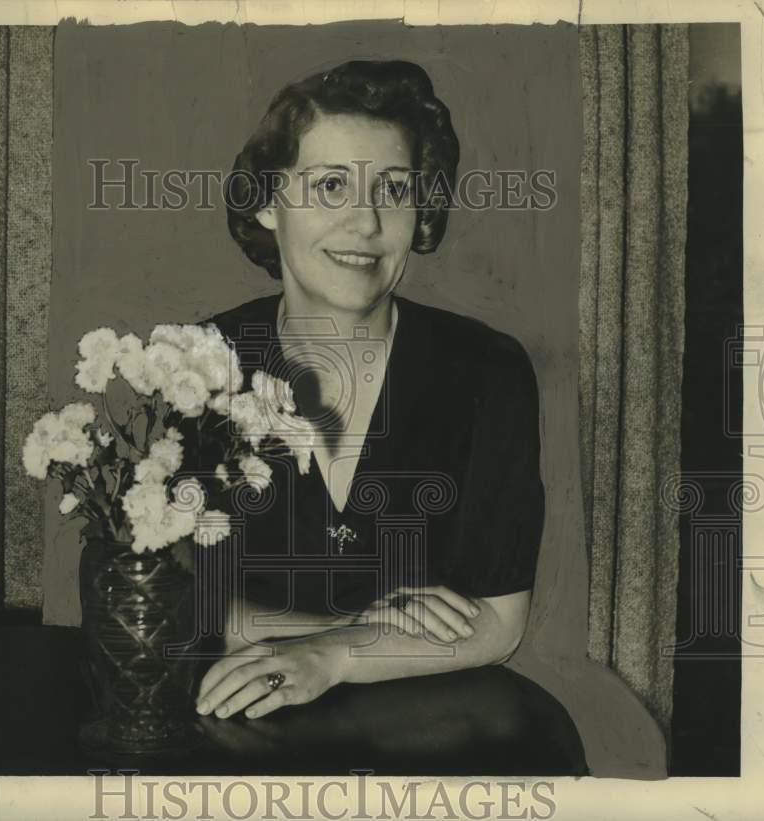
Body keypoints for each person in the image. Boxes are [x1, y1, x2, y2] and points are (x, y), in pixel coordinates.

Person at [196, 60, 547, 728]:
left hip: (436, 736)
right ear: (268, 202)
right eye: (331, 186)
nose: (365, 222)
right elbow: (184, 606)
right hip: (233, 724)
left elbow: (498, 624)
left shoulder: (487, 372)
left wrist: (333, 653)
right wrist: (368, 627)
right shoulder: (197, 365)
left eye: (393, 189)